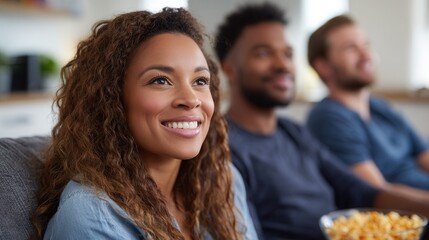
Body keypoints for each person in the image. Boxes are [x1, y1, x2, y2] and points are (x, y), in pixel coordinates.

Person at [31, 8, 258, 240]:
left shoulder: (222, 179)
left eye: (200, 81)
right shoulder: (92, 215)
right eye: (160, 80)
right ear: (111, 99)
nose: (191, 99)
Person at [215, 3, 429, 240]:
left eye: (287, 54)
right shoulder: (220, 147)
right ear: (230, 68)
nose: (282, 65)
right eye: (263, 53)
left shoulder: (293, 132)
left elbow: (360, 192)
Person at [306, 15, 429, 190]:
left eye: (366, 45)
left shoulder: (380, 107)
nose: (366, 55)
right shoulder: (328, 118)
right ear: (323, 66)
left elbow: (424, 154)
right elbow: (378, 194)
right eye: (351, 48)